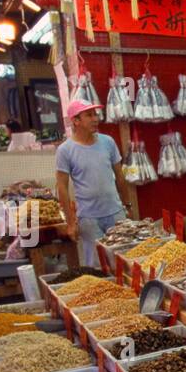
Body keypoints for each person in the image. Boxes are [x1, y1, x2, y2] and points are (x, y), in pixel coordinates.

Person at [56, 98, 129, 266]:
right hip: (89, 219)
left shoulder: (108, 142)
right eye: (89, 115)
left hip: (116, 213)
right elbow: (62, 187)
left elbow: (119, 175)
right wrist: (70, 223)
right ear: (75, 120)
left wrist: (127, 206)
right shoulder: (65, 150)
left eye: (95, 114)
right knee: (97, 266)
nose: (95, 118)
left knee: (123, 262)